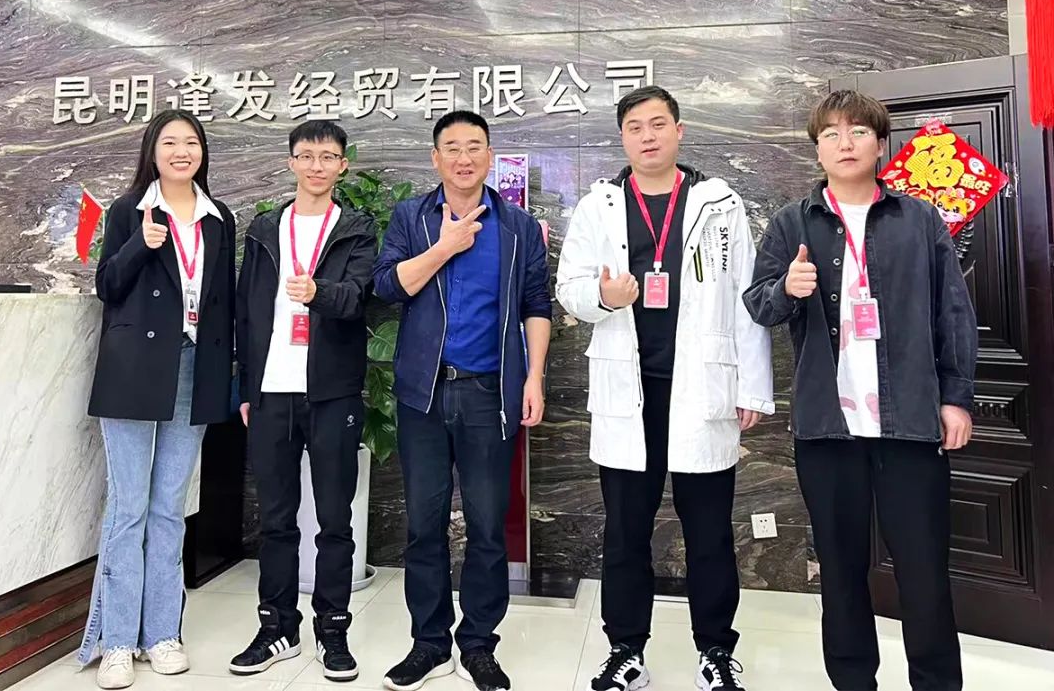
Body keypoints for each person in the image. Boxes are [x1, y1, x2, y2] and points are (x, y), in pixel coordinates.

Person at [743, 90, 977, 691]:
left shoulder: (919, 219)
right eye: (830, 134)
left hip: (910, 425)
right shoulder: (793, 222)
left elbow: (953, 313)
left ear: (879, 143)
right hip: (828, 428)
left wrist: (956, 397)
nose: (844, 144)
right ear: (817, 149)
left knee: (924, 572)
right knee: (841, 573)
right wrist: (786, 288)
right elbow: (758, 305)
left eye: (857, 132)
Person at [556, 85, 773, 691]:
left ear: (679, 130)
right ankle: (625, 650)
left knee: (709, 532)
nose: (647, 136)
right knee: (626, 531)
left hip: (702, 390)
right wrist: (604, 297)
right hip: (630, 392)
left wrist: (752, 387)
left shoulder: (720, 203)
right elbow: (568, 288)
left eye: (657, 124)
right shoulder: (598, 205)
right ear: (622, 138)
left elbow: (747, 297)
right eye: (635, 127)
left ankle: (716, 651)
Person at [373, 110, 552, 691]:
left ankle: (477, 644)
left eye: (475, 146)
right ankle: (429, 644)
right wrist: (445, 247)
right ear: (436, 158)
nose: (464, 157)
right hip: (423, 394)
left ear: (490, 156)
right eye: (452, 147)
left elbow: (536, 304)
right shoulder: (412, 217)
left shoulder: (517, 226)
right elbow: (387, 285)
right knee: (424, 525)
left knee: (486, 526)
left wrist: (534, 377)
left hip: (489, 394)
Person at [78, 110, 236, 690]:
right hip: (135, 371)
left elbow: (223, 302)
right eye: (169, 142)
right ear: (152, 150)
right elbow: (107, 285)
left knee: (170, 508)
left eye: (191, 142)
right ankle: (118, 641)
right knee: (130, 509)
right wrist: (140, 247)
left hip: (195, 368)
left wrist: (230, 376)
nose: (181, 151)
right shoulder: (130, 210)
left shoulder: (219, 218)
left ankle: (163, 633)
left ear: (203, 153)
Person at [230, 121, 376, 682]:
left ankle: (333, 630)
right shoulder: (266, 228)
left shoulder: (355, 228)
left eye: (328, 157)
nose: (317, 166)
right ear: (291, 161)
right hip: (271, 391)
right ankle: (277, 628)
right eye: (307, 155)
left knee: (335, 520)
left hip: (333, 392)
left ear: (343, 165)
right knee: (275, 519)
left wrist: (319, 293)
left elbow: (359, 298)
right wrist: (248, 388)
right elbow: (246, 312)